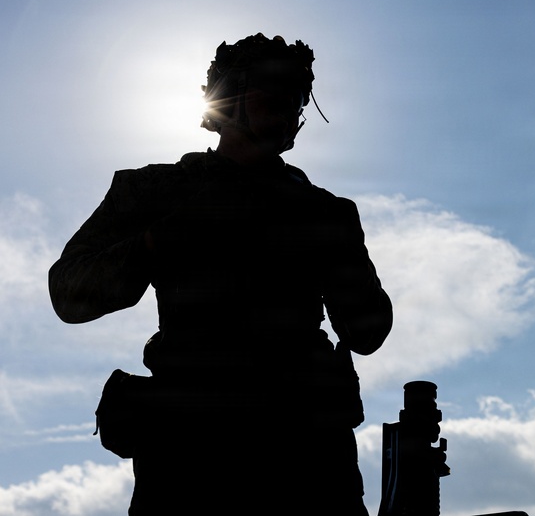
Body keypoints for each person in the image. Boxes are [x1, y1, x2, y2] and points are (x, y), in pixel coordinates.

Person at [49, 33, 392, 515]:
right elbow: (68, 293)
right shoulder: (157, 191)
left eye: (297, 96)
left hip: (305, 458)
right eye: (270, 91)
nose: (288, 106)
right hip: (192, 459)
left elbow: (368, 331)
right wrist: (159, 241)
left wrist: (335, 254)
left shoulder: (325, 212)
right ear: (228, 98)